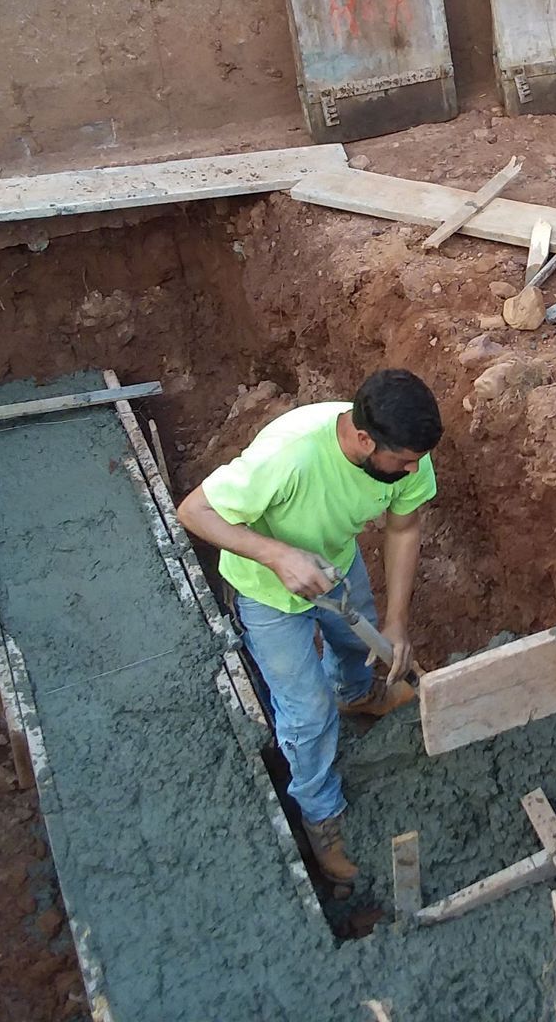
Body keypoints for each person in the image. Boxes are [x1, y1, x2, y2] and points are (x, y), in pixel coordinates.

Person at [177, 368, 443, 886]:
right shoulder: (290, 455)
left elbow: (405, 527)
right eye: (405, 461)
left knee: (356, 643)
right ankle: (320, 814)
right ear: (365, 440)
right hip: (265, 590)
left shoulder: (408, 453)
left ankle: (359, 695)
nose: (415, 470)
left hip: (336, 566)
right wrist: (277, 556)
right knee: (306, 711)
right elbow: (195, 510)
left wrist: (395, 621)